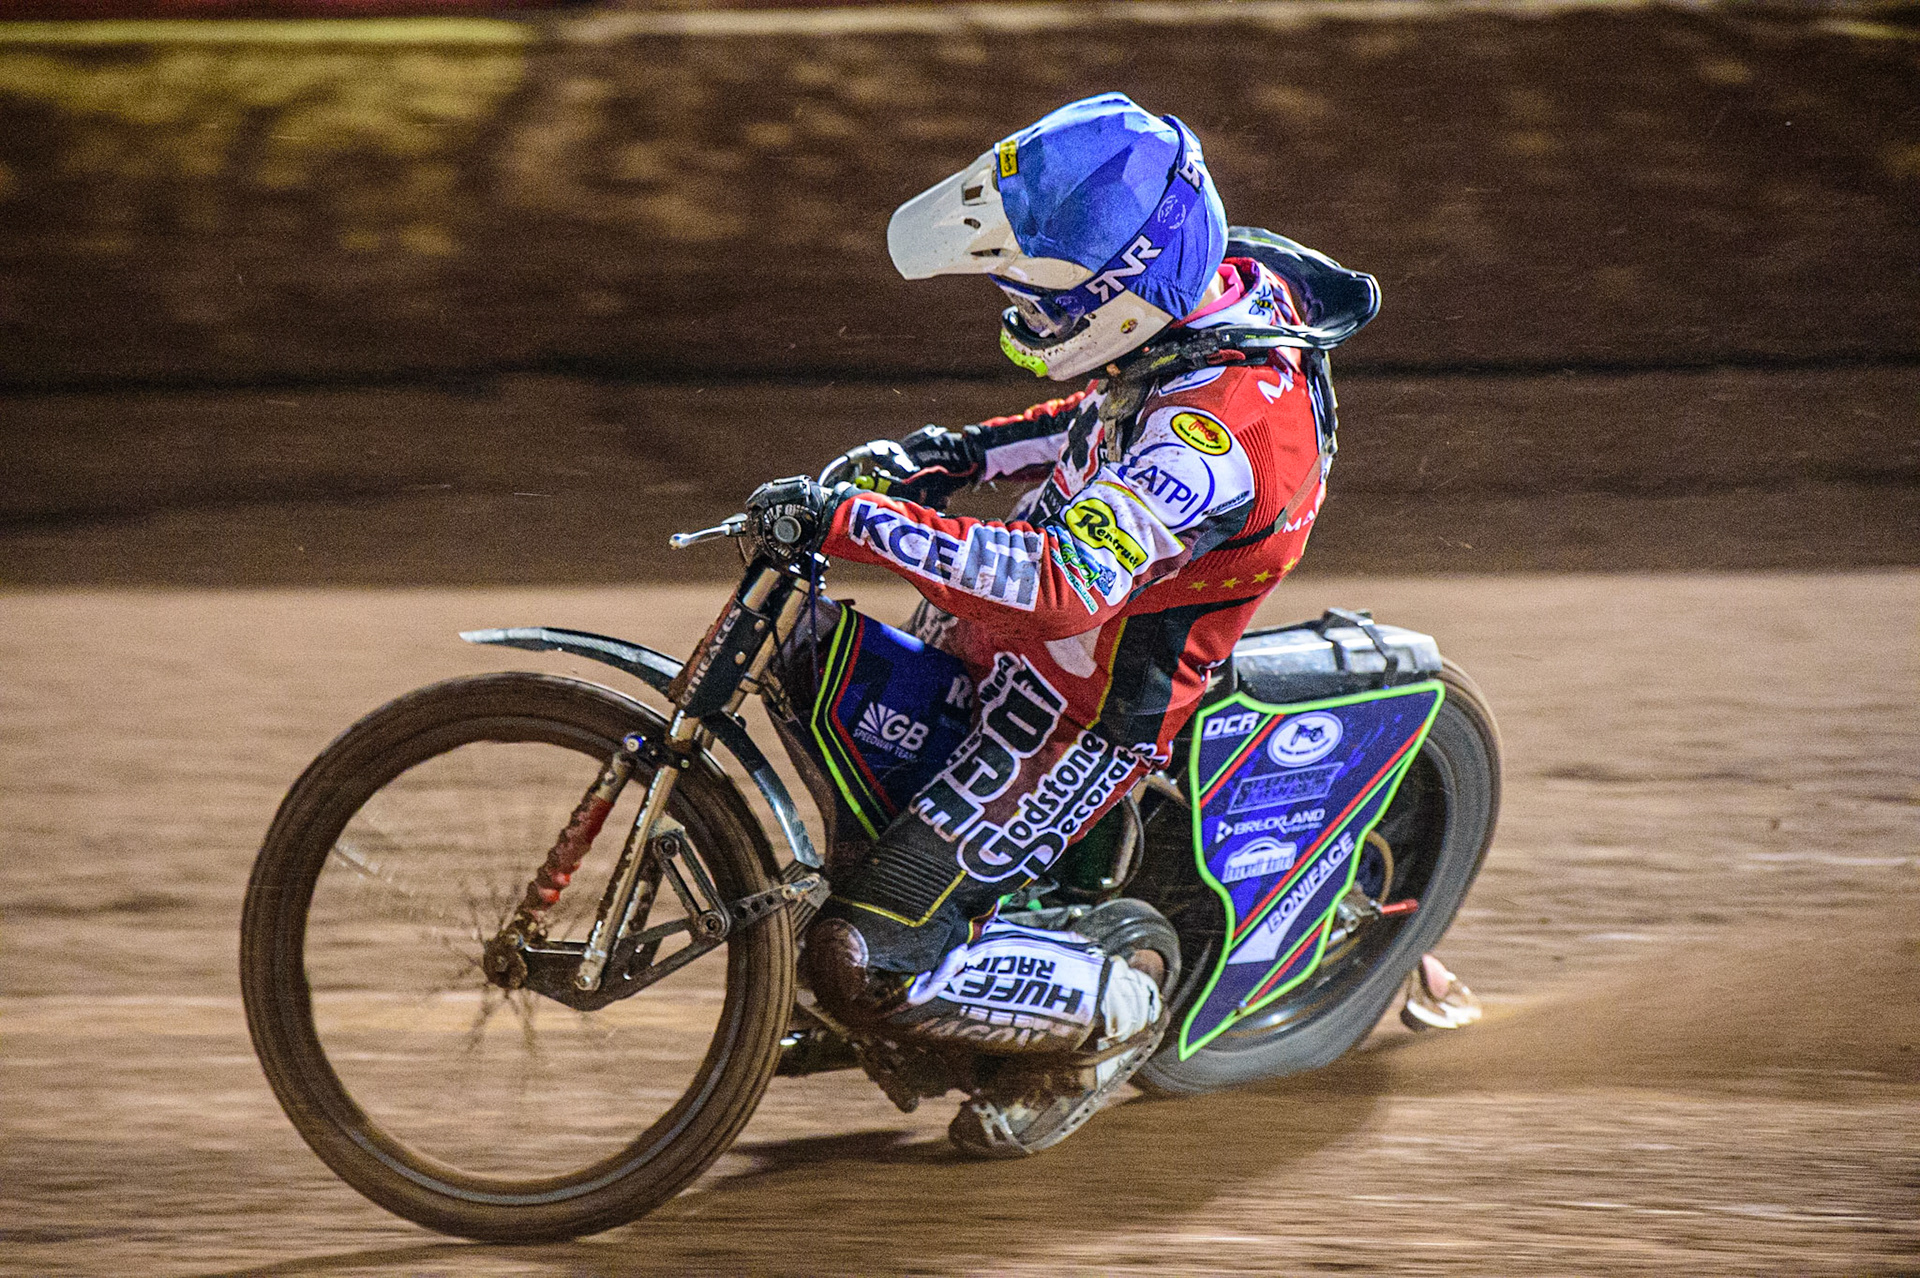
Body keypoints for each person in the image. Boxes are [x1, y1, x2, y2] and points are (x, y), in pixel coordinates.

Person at [741, 93, 1477, 1157]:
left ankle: (1114, 1020)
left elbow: (1061, 582)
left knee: (860, 959)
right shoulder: (1208, 300)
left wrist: (857, 520)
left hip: (1079, 715)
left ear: (1123, 293)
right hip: (1006, 646)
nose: (1020, 311)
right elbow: (1099, 420)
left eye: (1040, 297)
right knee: (820, 684)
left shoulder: (1219, 433)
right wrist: (953, 455)